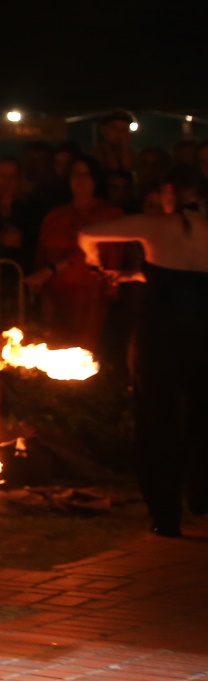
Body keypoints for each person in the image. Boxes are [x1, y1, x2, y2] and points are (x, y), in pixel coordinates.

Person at [79, 167, 208, 538]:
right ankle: (203, 498)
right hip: (204, 336)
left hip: (161, 337)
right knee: (204, 419)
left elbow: (88, 233)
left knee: (157, 422)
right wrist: (136, 276)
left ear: (169, 193)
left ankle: (166, 517)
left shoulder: (153, 225)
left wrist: (93, 260)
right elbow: (189, 277)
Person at [30, 156, 120, 350]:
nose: (80, 179)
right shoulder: (55, 215)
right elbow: (42, 251)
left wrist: (52, 269)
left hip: (88, 294)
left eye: (86, 174)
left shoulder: (109, 215)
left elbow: (100, 253)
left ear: (95, 179)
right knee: (52, 345)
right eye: (75, 174)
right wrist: (41, 282)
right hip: (53, 292)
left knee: (82, 349)